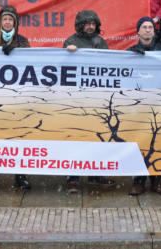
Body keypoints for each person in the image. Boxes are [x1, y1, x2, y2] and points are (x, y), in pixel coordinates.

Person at [63, 10, 113, 192]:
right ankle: (72, 177)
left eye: (93, 23)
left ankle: (95, 174)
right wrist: (68, 54)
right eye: (87, 23)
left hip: (97, 99)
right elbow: (63, 68)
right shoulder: (70, 42)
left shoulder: (102, 43)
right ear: (81, 25)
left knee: (97, 136)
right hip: (76, 99)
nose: (91, 26)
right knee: (76, 137)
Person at [0, 6, 31, 193]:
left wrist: (18, 54)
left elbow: (31, 65)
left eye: (10, 20)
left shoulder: (23, 42)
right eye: (4, 19)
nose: (7, 23)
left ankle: (20, 177)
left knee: (19, 138)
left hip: (17, 98)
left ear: (15, 23)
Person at [128, 17, 161, 196]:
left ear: (154, 31)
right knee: (139, 142)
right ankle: (138, 182)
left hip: (159, 105)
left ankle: (157, 181)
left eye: (150, 27)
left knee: (158, 143)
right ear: (138, 32)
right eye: (144, 27)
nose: (147, 30)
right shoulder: (129, 53)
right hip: (139, 106)